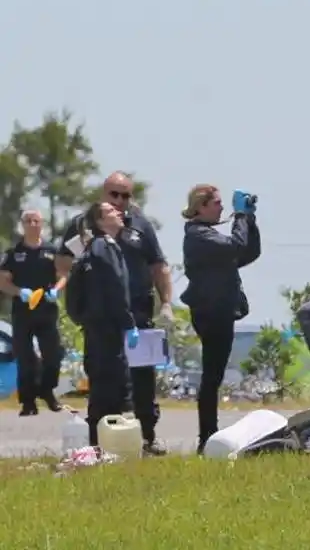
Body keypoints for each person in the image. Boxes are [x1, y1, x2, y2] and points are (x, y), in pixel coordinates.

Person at [56, 172, 175, 456]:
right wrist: (80, 307)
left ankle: (146, 435)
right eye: (114, 195)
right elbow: (64, 265)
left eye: (126, 196)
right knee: (106, 379)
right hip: (105, 316)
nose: (120, 202)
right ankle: (103, 439)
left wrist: (166, 302)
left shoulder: (140, 224)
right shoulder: (84, 226)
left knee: (141, 379)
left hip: (138, 311)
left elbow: (158, 265)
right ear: (103, 195)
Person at [180, 184, 261, 454]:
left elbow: (247, 252)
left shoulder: (209, 236)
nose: (222, 207)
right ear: (200, 207)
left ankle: (208, 435)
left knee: (213, 376)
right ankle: (207, 436)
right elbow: (234, 245)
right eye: (216, 202)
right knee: (211, 376)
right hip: (210, 312)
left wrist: (249, 218)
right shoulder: (198, 235)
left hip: (221, 310)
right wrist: (239, 217)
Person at [67, 202, 139, 448]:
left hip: (97, 328)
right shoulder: (104, 247)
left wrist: (85, 319)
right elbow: (115, 286)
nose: (118, 213)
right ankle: (104, 447)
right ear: (99, 222)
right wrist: (128, 323)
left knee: (103, 388)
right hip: (107, 328)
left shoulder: (93, 249)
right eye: (110, 212)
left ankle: (102, 445)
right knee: (112, 388)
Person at [0, 210, 66, 414]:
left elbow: (62, 275)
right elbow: (3, 281)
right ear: (23, 225)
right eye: (28, 221)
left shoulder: (51, 250)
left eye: (36, 220)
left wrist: (56, 290)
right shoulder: (13, 252)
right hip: (23, 311)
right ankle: (28, 402)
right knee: (26, 358)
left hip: (47, 311)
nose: (32, 224)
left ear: (41, 224)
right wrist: (20, 292)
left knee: (53, 355)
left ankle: (47, 391)